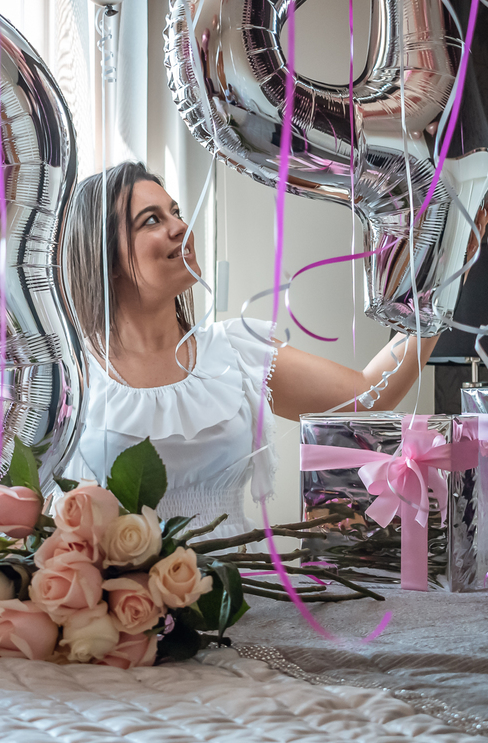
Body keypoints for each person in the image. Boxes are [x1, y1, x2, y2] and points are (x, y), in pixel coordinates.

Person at [61, 161, 441, 538]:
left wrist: (441, 282)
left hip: (235, 576)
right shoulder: (69, 376)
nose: (180, 227)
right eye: (151, 220)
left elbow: (370, 394)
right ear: (106, 257)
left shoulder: (236, 350)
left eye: (176, 212)